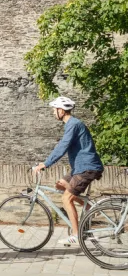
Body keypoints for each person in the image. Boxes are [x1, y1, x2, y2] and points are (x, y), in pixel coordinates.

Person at [33, 96, 104, 247]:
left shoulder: (74, 124)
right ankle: (89, 206)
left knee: (66, 199)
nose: (53, 112)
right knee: (60, 184)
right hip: (79, 167)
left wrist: (45, 164)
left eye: (54, 109)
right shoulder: (71, 124)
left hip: (86, 168)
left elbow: (62, 146)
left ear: (62, 111)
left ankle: (76, 235)